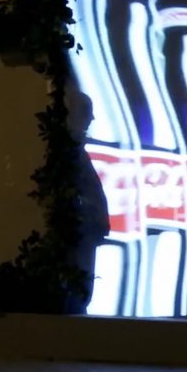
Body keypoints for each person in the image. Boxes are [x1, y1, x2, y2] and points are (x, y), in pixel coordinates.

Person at [65, 87, 110, 313]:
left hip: (85, 231)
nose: (92, 118)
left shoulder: (76, 150)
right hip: (80, 231)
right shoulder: (68, 152)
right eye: (86, 112)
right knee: (79, 289)